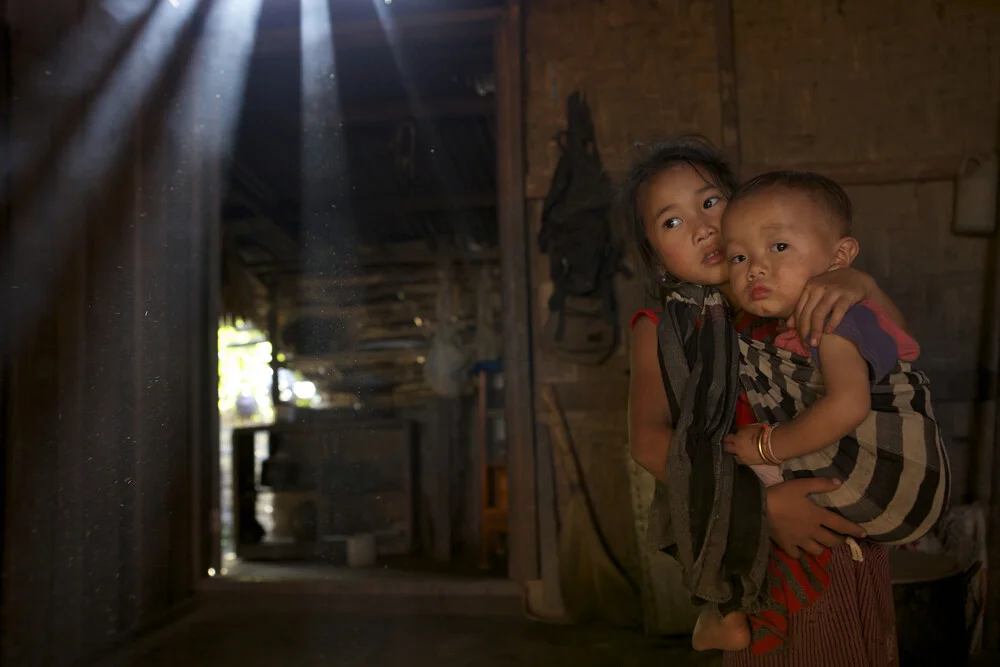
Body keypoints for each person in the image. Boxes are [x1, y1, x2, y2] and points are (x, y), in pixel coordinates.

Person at [620, 136, 902, 666]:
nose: (702, 226)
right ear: (658, 261)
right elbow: (648, 442)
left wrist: (860, 285)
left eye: (709, 202)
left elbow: (898, 353)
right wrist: (754, 506)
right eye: (671, 222)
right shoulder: (661, 329)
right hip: (755, 531)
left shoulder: (803, 289)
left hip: (843, 510)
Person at [697, 171, 949, 654]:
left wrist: (768, 445)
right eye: (740, 257)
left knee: (735, 472)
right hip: (831, 507)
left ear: (839, 259)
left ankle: (721, 603)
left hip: (874, 482)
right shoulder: (785, 324)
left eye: (779, 248)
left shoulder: (835, 320)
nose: (755, 269)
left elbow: (851, 404)